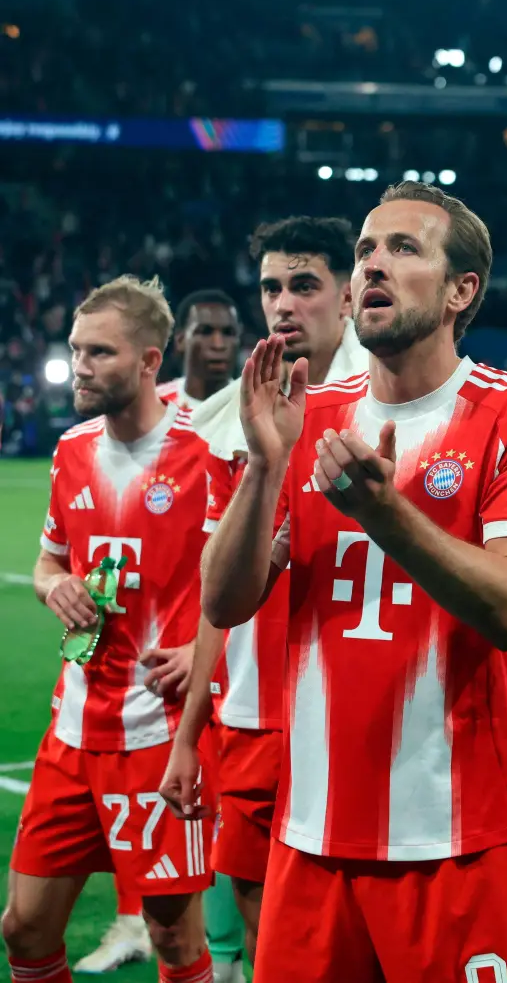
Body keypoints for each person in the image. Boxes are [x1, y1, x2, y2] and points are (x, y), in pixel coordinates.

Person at [167, 181, 507, 982]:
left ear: (463, 291)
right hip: (311, 833)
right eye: (364, 251)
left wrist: (383, 512)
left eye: (403, 248)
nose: (374, 266)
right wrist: (264, 464)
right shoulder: (306, 416)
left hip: (462, 840)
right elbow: (224, 601)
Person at [160, 216, 368, 974]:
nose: (284, 304)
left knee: (355, 929)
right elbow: (219, 597)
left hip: (351, 714)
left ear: (348, 298)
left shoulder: (385, 407)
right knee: (263, 927)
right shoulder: (234, 424)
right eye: (273, 287)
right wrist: (188, 737)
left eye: (305, 286)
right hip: (249, 715)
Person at [2, 276, 216, 983]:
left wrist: (200, 652)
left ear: (151, 361)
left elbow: (252, 584)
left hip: (158, 733)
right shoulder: (71, 450)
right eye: (75, 350)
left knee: (173, 936)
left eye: (99, 352)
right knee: (25, 928)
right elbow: (48, 559)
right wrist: (54, 585)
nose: (80, 366)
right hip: (72, 730)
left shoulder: (207, 455)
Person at [78, 287, 242, 977]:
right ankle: (133, 923)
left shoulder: (236, 418)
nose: (216, 342)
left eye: (226, 332)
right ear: (177, 344)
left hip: (205, 677)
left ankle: (221, 950)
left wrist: (209, 645)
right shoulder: (148, 411)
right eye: (204, 330)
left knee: (225, 840)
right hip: (122, 677)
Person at [157, 289, 242, 411]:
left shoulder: (256, 410)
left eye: (228, 333)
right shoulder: (156, 405)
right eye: (205, 332)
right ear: (180, 340)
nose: (218, 345)